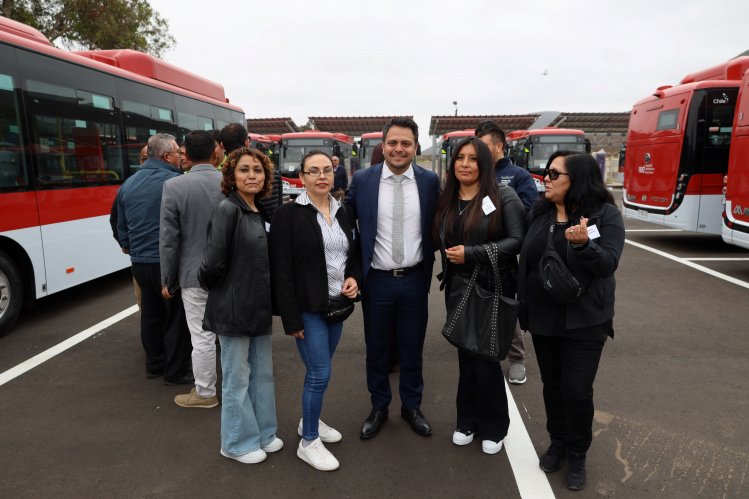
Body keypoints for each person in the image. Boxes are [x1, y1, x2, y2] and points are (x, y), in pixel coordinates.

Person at [518, 151, 625, 491]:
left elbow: (608, 263)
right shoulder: (540, 212)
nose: (545, 179)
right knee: (552, 386)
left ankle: (577, 453)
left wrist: (583, 248)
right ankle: (558, 441)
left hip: (585, 321)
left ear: (576, 179)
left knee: (576, 391)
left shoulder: (605, 215)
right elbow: (528, 262)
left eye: (553, 174)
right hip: (544, 318)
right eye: (545, 173)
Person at [346, 117, 440, 439]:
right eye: (393, 143)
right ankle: (379, 407)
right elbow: (342, 224)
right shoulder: (363, 180)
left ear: (416, 147)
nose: (399, 149)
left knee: (412, 348)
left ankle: (412, 406)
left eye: (406, 144)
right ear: (383, 145)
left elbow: (442, 225)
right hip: (378, 282)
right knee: (377, 349)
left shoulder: (429, 182)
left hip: (415, 280)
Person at [434, 137, 526, 454]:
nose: (465, 164)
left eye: (473, 159)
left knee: (486, 358)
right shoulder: (447, 198)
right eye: (460, 158)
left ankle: (494, 426)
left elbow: (517, 241)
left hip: (492, 286)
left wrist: (472, 253)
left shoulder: (503, 195)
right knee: (466, 356)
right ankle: (466, 421)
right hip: (459, 288)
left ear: (484, 163)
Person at [270, 150, 361, 471]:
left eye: (326, 170)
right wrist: (290, 318)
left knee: (319, 372)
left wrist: (353, 278)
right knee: (320, 373)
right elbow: (280, 270)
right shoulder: (288, 215)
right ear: (302, 177)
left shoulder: (343, 211)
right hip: (307, 309)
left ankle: (310, 420)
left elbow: (353, 253)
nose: (321, 176)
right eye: (313, 171)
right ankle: (308, 441)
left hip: (337, 306)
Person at [198, 147, 282, 464]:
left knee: (262, 375)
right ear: (231, 176)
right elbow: (210, 264)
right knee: (237, 378)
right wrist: (225, 293)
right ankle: (235, 442)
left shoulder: (256, 210)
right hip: (233, 308)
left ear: (266, 177)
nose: (251, 175)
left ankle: (263, 433)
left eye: (257, 170)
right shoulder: (227, 210)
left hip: (257, 306)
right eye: (244, 169)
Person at [116, 133, 192, 384]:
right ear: (166, 156)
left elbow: (119, 222)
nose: (181, 158)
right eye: (177, 153)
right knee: (175, 317)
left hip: (140, 263)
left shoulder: (128, 183)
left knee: (150, 315)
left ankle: (154, 365)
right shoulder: (176, 182)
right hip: (167, 261)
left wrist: (128, 245)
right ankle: (175, 371)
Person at [160, 131, 224, 409]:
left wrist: (168, 279)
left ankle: (206, 393)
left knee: (202, 337)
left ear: (186, 154)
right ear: (214, 153)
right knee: (232, 335)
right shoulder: (229, 182)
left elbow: (169, 239)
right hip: (230, 271)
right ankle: (237, 389)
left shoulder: (174, 187)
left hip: (193, 273)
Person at [476, 120, 539, 386]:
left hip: (504, 253)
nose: (477, 150)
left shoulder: (518, 176)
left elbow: (529, 211)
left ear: (499, 146)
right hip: (476, 253)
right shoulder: (475, 174)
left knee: (506, 306)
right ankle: (481, 348)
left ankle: (517, 358)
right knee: (477, 304)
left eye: (483, 145)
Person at [109, 144, 148, 308]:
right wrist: (125, 244)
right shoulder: (128, 186)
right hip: (142, 259)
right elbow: (116, 219)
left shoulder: (128, 184)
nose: (146, 162)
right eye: (143, 159)